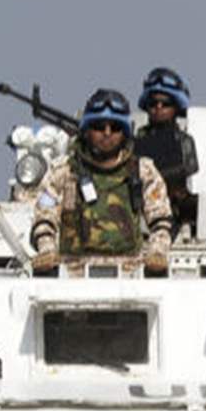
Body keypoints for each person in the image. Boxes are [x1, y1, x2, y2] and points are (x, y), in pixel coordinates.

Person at [29, 89, 174, 275]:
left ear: (124, 132)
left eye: (115, 127)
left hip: (130, 272)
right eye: (99, 126)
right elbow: (44, 217)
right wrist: (47, 249)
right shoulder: (63, 171)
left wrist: (157, 251)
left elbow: (161, 219)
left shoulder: (142, 171)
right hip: (73, 272)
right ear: (87, 130)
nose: (107, 133)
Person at [134, 67, 200, 238]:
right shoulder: (135, 141)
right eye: (153, 103)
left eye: (165, 104)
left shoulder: (184, 141)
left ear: (176, 107)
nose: (159, 108)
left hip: (175, 212)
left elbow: (189, 169)